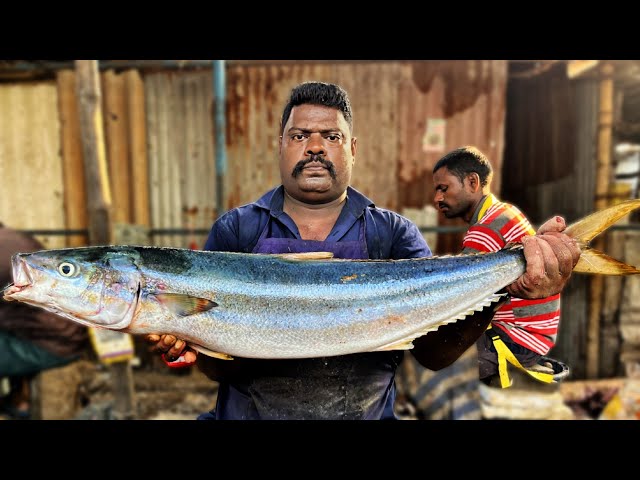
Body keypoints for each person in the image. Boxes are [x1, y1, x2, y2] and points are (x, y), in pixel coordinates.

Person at [145, 81, 581, 420]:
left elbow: (433, 354)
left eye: (331, 136)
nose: (314, 146)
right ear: (280, 145)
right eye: (299, 135)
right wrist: (188, 338)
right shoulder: (237, 229)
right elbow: (221, 368)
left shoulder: (392, 234)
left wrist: (504, 286)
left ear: (352, 149)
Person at [431, 146, 568, 389]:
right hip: (535, 336)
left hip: (513, 339)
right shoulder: (505, 212)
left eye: (444, 188)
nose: (437, 198)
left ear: (472, 182)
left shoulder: (487, 229)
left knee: (428, 357)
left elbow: (458, 294)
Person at [0, 222, 90, 420]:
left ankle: (19, 404)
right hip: (67, 332)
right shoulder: (15, 237)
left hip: (53, 343)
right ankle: (19, 399)